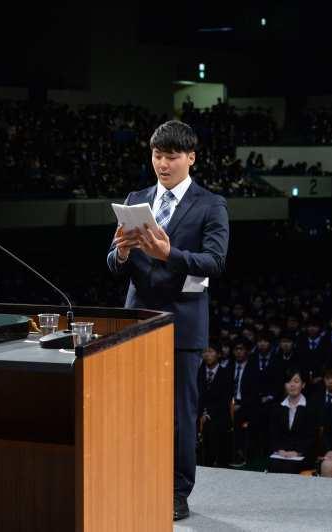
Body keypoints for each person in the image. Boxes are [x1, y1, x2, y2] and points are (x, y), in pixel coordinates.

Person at [107, 120, 229, 521]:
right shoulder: (136, 198)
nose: (163, 163)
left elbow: (215, 261)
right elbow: (113, 263)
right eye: (158, 155)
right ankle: (136, 479)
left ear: (190, 158)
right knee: (134, 409)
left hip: (183, 322)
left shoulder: (211, 204)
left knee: (180, 414)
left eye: (172, 156)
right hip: (137, 320)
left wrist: (168, 253)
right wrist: (122, 254)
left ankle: (178, 492)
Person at [267, 368, 318, 474]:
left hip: (302, 454)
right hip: (281, 453)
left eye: (296, 381)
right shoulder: (278, 407)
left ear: (303, 385)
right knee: (274, 465)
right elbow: (273, 434)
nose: (292, 385)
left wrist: (297, 452)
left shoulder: (311, 407)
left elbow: (312, 437)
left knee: (289, 467)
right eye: (288, 381)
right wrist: (280, 450)